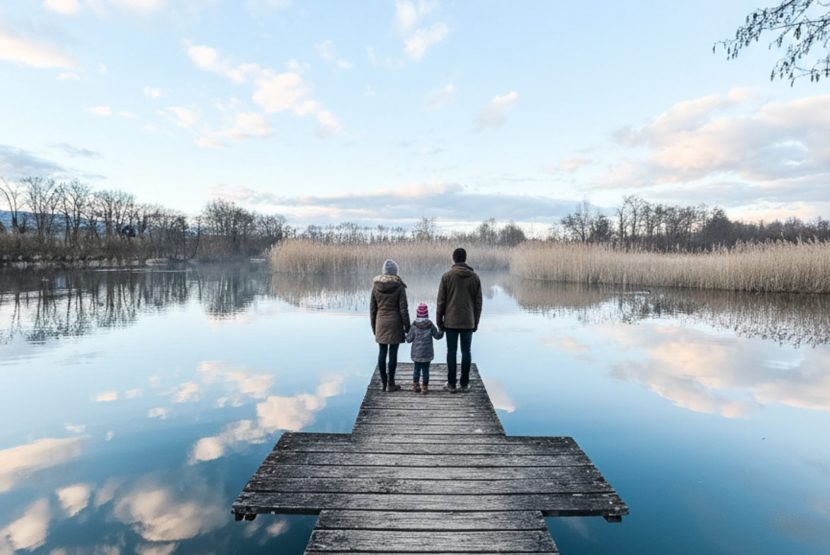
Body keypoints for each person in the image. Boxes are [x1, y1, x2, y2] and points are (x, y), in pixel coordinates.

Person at [436, 247, 482, 393]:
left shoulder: (447, 276)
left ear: (454, 258)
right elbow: (478, 303)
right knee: (466, 351)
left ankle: (451, 384)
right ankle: (464, 383)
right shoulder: (474, 277)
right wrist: (476, 322)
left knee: (451, 351)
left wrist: (439, 322)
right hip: (468, 321)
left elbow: (441, 302)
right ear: (465, 258)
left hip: (450, 321)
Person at [370, 258, 410, 392]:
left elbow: (372, 309)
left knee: (382, 352)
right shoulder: (399, 286)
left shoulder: (376, 286)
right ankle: (391, 384)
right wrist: (408, 327)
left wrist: (373, 327)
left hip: (380, 322)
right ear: (395, 272)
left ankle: (383, 383)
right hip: (395, 323)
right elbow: (403, 309)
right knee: (393, 352)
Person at [405, 303, 444, 395]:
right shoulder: (430, 325)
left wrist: (406, 334)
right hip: (427, 354)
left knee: (416, 369)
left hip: (416, 354)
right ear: (427, 315)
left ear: (417, 314)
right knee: (426, 370)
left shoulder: (414, 326)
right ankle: (425, 388)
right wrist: (442, 331)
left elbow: (409, 340)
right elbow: (437, 336)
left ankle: (415, 386)